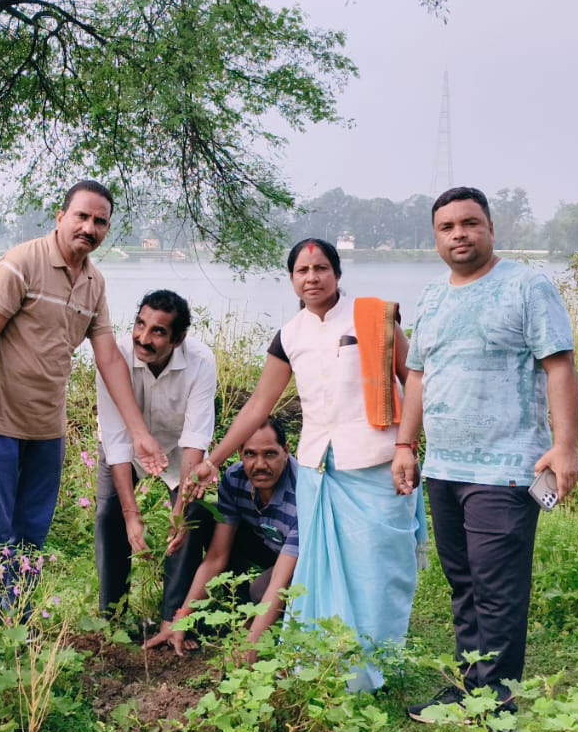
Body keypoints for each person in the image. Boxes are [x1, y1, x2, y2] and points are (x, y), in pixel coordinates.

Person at [183, 238, 426, 689]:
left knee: (379, 568)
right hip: (320, 470)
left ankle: (380, 665)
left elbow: (412, 378)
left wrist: (407, 445)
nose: (311, 277)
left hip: (376, 462)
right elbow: (259, 405)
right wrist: (213, 460)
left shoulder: (374, 316)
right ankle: (332, 667)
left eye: (320, 268)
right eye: (301, 270)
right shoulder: (289, 334)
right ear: (292, 278)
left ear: (337, 273)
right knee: (324, 571)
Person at [393, 186, 578, 732]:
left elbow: (560, 366)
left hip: (507, 468)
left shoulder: (526, 286)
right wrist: (406, 443)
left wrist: (566, 446)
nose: (459, 235)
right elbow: (419, 376)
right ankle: (467, 688)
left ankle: (495, 713)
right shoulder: (430, 299)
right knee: (465, 585)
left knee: (498, 591)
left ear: (490, 228)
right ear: (435, 238)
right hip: (446, 468)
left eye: (469, 223)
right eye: (447, 227)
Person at [0, 180, 167, 609]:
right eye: (82, 216)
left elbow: (109, 358)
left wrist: (139, 433)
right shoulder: (22, 263)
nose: (89, 228)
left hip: (47, 431)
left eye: (100, 222)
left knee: (32, 535)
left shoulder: (94, 282)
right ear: (61, 216)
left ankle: (19, 629)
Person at [93, 289, 217, 632]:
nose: (143, 339)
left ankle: (171, 620)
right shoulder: (114, 356)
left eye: (158, 331)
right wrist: (132, 515)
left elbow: (196, 438)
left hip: (179, 450)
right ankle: (113, 617)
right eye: (140, 324)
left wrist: (178, 511)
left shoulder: (202, 362)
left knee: (190, 517)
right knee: (110, 515)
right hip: (127, 448)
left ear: (178, 339)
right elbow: (117, 439)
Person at [145, 418, 298, 657]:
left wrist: (250, 645)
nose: (260, 464)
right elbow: (217, 556)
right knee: (199, 514)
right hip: (268, 545)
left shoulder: (302, 491)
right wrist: (183, 617)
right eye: (250, 454)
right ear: (239, 453)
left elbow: (281, 578)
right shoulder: (236, 479)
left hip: (305, 560)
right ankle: (239, 605)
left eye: (270, 454)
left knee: (262, 591)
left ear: (286, 451)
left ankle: (268, 623)